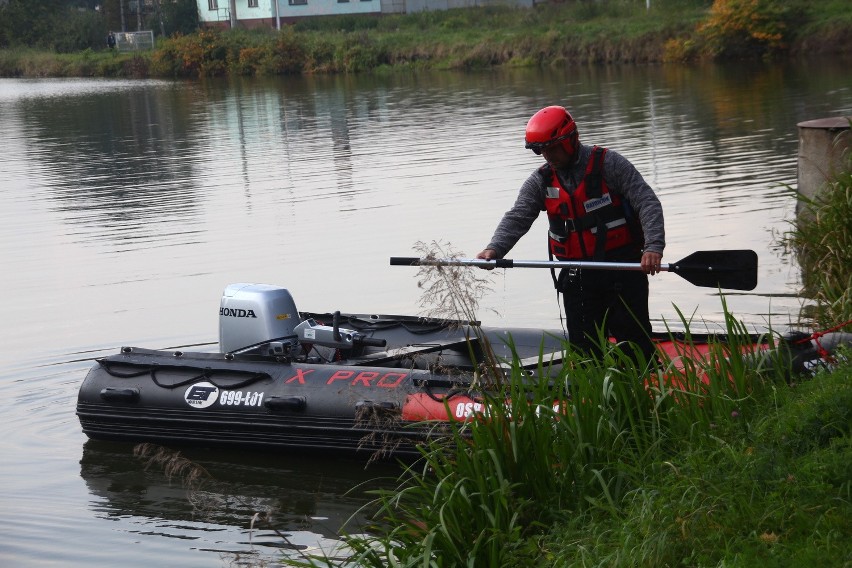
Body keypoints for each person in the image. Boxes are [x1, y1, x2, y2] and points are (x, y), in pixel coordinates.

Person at [476, 105, 665, 366]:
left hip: (621, 268)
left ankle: (644, 391)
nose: (547, 155)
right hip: (577, 274)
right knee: (584, 350)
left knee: (633, 344)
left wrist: (653, 247)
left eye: (553, 148)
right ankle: (595, 397)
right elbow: (518, 216)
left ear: (571, 139)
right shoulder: (541, 181)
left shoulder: (609, 164)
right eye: (541, 150)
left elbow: (647, 202)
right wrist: (494, 248)